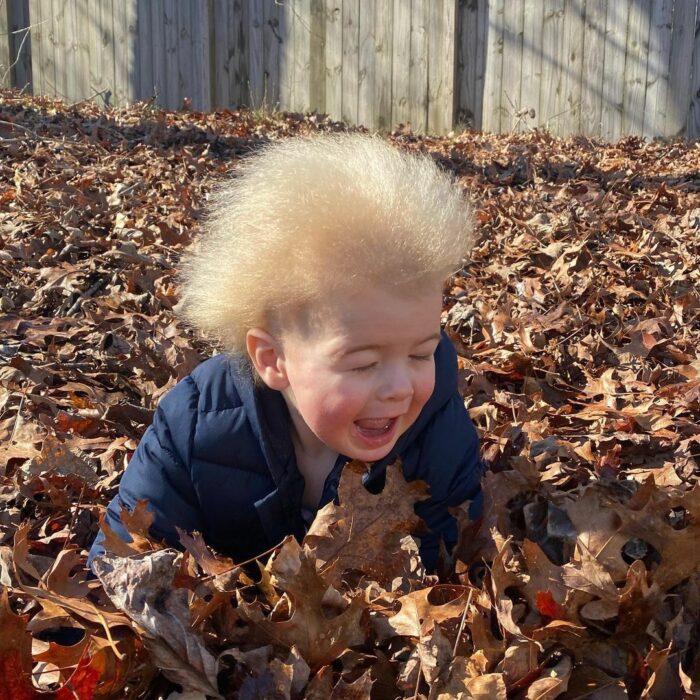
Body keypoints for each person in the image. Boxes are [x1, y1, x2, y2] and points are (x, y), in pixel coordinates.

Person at [88, 133, 484, 573]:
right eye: (364, 363)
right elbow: (122, 568)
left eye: (421, 354)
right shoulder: (193, 426)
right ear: (272, 358)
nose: (399, 388)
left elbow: (442, 578)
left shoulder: (439, 436)